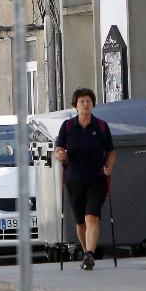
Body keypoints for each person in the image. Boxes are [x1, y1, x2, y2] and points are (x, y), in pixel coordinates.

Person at [54, 87, 116, 271]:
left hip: (97, 178)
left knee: (92, 218)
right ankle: (86, 250)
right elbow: (58, 149)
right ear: (75, 105)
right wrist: (60, 155)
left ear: (93, 104)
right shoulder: (68, 126)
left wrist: (109, 166)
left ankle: (89, 254)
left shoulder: (102, 126)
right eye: (82, 101)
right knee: (80, 222)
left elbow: (111, 151)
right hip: (74, 179)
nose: (85, 104)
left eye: (88, 101)